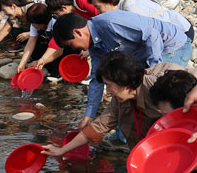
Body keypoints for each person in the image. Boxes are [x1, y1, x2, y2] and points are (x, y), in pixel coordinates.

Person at [42, 52, 197, 173]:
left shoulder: (160, 85)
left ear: (124, 82)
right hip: (162, 146)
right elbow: (98, 127)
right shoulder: (120, 101)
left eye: (109, 85)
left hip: (181, 141)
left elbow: (189, 78)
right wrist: (62, 151)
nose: (108, 91)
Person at [52, 11, 190, 128]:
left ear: (77, 32)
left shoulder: (110, 23)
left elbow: (152, 35)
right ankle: (126, 136)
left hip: (170, 46)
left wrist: (153, 70)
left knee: (156, 96)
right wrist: (89, 115)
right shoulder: (94, 46)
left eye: (70, 45)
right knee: (126, 94)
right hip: (143, 56)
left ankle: (178, 133)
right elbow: (97, 79)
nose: (74, 49)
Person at [87, 0, 194, 46]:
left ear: (109, 1)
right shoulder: (122, 8)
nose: (98, 12)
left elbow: (149, 35)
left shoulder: (131, 8)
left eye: (98, 7)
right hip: (170, 33)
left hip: (181, 31)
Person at [17, 3, 76, 77]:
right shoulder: (35, 25)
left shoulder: (56, 23)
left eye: (35, 23)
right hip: (51, 45)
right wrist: (22, 64)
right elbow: (30, 43)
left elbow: (59, 50)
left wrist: (42, 61)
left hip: (66, 47)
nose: (33, 26)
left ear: (43, 21)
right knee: (36, 50)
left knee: (60, 57)